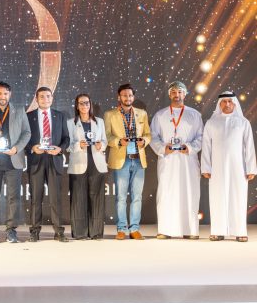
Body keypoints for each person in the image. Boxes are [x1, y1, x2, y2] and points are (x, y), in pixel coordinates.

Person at [150, 82, 203, 240]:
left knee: (190, 192)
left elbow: (201, 137)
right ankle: (165, 230)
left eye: (180, 92)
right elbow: (153, 136)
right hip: (168, 160)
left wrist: (190, 147)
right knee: (166, 192)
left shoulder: (195, 115)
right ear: (169, 94)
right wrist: (163, 148)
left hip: (188, 160)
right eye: (173, 92)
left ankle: (190, 230)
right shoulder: (160, 115)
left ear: (185, 94)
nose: (177, 95)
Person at [201, 91, 256, 242]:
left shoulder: (243, 122)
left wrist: (251, 168)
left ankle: (240, 231)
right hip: (217, 168)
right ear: (219, 104)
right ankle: (217, 231)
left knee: (238, 197)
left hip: (239, 168)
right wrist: (205, 167)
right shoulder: (212, 123)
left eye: (230, 101)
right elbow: (206, 146)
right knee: (217, 197)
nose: (227, 104)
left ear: (234, 103)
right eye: (224, 102)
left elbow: (249, 146)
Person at [0, 82, 31, 243]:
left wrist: (17, 148)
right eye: (0, 93)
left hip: (13, 160)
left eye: (6, 94)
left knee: (13, 198)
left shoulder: (19, 111)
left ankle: (11, 231)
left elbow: (27, 133)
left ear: (10, 94)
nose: (3, 96)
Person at [104, 83, 151, 240]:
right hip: (121, 160)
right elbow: (106, 137)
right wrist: (119, 141)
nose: (128, 98)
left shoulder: (141, 114)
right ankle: (121, 229)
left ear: (133, 97)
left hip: (138, 160)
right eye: (124, 95)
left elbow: (148, 134)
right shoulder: (110, 114)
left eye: (130, 95)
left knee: (137, 197)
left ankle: (134, 229)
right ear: (119, 97)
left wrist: (144, 141)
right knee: (121, 197)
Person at [25, 87, 70, 242]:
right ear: (36, 99)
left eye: (48, 96)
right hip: (36, 161)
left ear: (52, 98)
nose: (45, 99)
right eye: (42, 97)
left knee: (55, 198)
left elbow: (66, 138)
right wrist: (32, 148)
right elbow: (23, 138)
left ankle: (59, 231)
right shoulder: (28, 116)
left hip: (54, 160)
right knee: (36, 198)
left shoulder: (60, 116)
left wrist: (60, 149)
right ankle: (34, 231)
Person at [66, 93, 108, 240]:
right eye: (81, 103)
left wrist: (101, 145)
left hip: (97, 164)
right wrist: (79, 145)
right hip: (78, 165)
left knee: (97, 199)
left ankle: (96, 232)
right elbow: (67, 145)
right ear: (77, 106)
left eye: (87, 103)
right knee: (78, 199)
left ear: (90, 105)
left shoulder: (99, 122)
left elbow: (105, 141)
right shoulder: (70, 123)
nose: (84, 106)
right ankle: (80, 233)